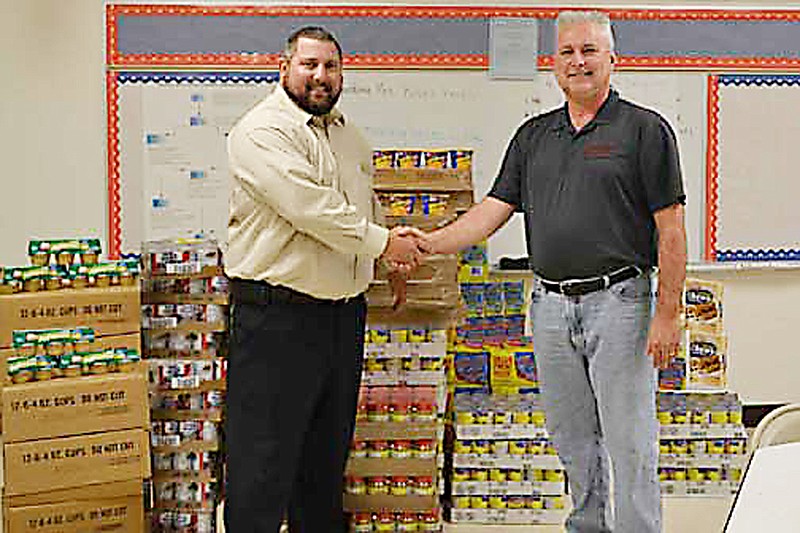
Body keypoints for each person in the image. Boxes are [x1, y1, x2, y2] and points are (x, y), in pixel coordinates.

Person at [424, 11, 686, 533]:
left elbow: (672, 231)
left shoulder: (644, 130)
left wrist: (669, 314)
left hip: (621, 305)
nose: (578, 62)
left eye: (589, 51)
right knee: (571, 439)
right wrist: (427, 243)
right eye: (567, 52)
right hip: (548, 308)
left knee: (629, 440)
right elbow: (490, 212)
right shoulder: (534, 137)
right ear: (553, 64)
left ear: (613, 59)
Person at [224, 26, 425, 532]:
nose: (321, 76)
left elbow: (364, 208)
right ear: (284, 67)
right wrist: (383, 244)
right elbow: (313, 209)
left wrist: (390, 260)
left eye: (330, 66)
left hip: (340, 320)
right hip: (276, 319)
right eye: (309, 64)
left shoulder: (349, 135)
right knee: (263, 465)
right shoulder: (261, 131)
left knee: (324, 461)